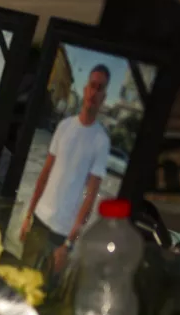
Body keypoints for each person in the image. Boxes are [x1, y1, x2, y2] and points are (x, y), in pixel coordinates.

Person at [19, 64, 112, 274]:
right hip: (39, 220)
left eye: (100, 88)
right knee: (21, 278)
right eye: (92, 85)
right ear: (86, 89)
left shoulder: (101, 141)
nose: (94, 92)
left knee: (45, 288)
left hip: (62, 233)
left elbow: (90, 197)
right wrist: (28, 216)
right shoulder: (65, 127)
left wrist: (69, 243)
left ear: (103, 97)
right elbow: (45, 173)